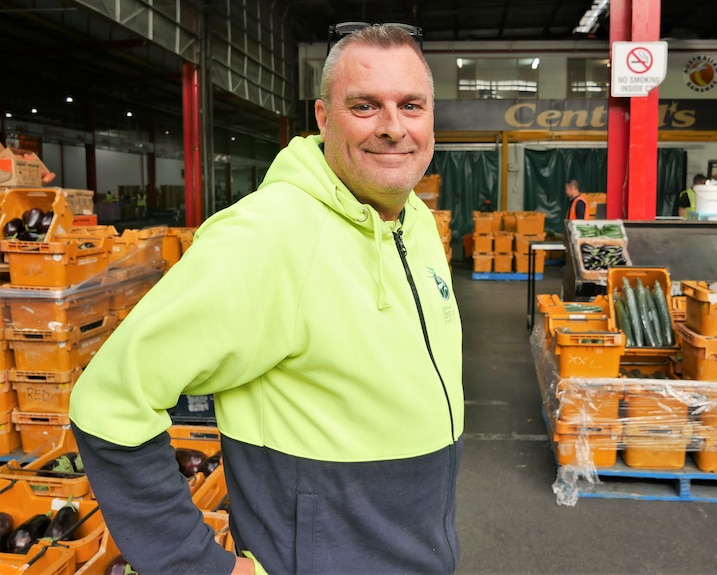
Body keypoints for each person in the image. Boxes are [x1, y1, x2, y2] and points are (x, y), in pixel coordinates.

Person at [69, 24, 464, 575]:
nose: (394, 127)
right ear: (324, 119)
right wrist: (196, 566)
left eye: (411, 105)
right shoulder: (268, 236)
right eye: (366, 106)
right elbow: (110, 402)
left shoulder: (414, 222)